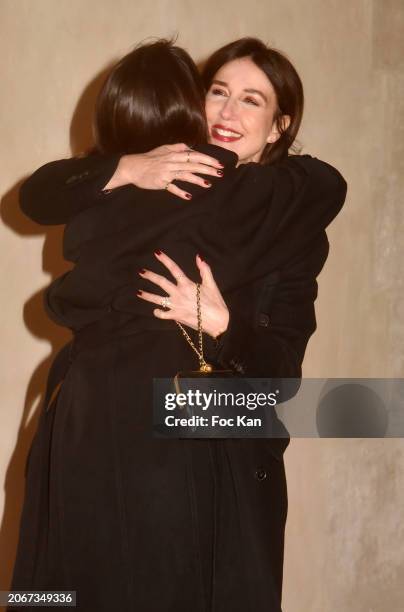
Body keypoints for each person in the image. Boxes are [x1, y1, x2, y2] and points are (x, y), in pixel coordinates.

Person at [11, 38, 347, 612]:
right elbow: (41, 195)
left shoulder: (291, 218)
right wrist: (124, 166)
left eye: (251, 100)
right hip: (103, 424)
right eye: (217, 92)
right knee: (69, 585)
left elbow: (282, 377)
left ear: (278, 126)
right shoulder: (149, 179)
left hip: (216, 435)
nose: (227, 112)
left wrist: (224, 324)